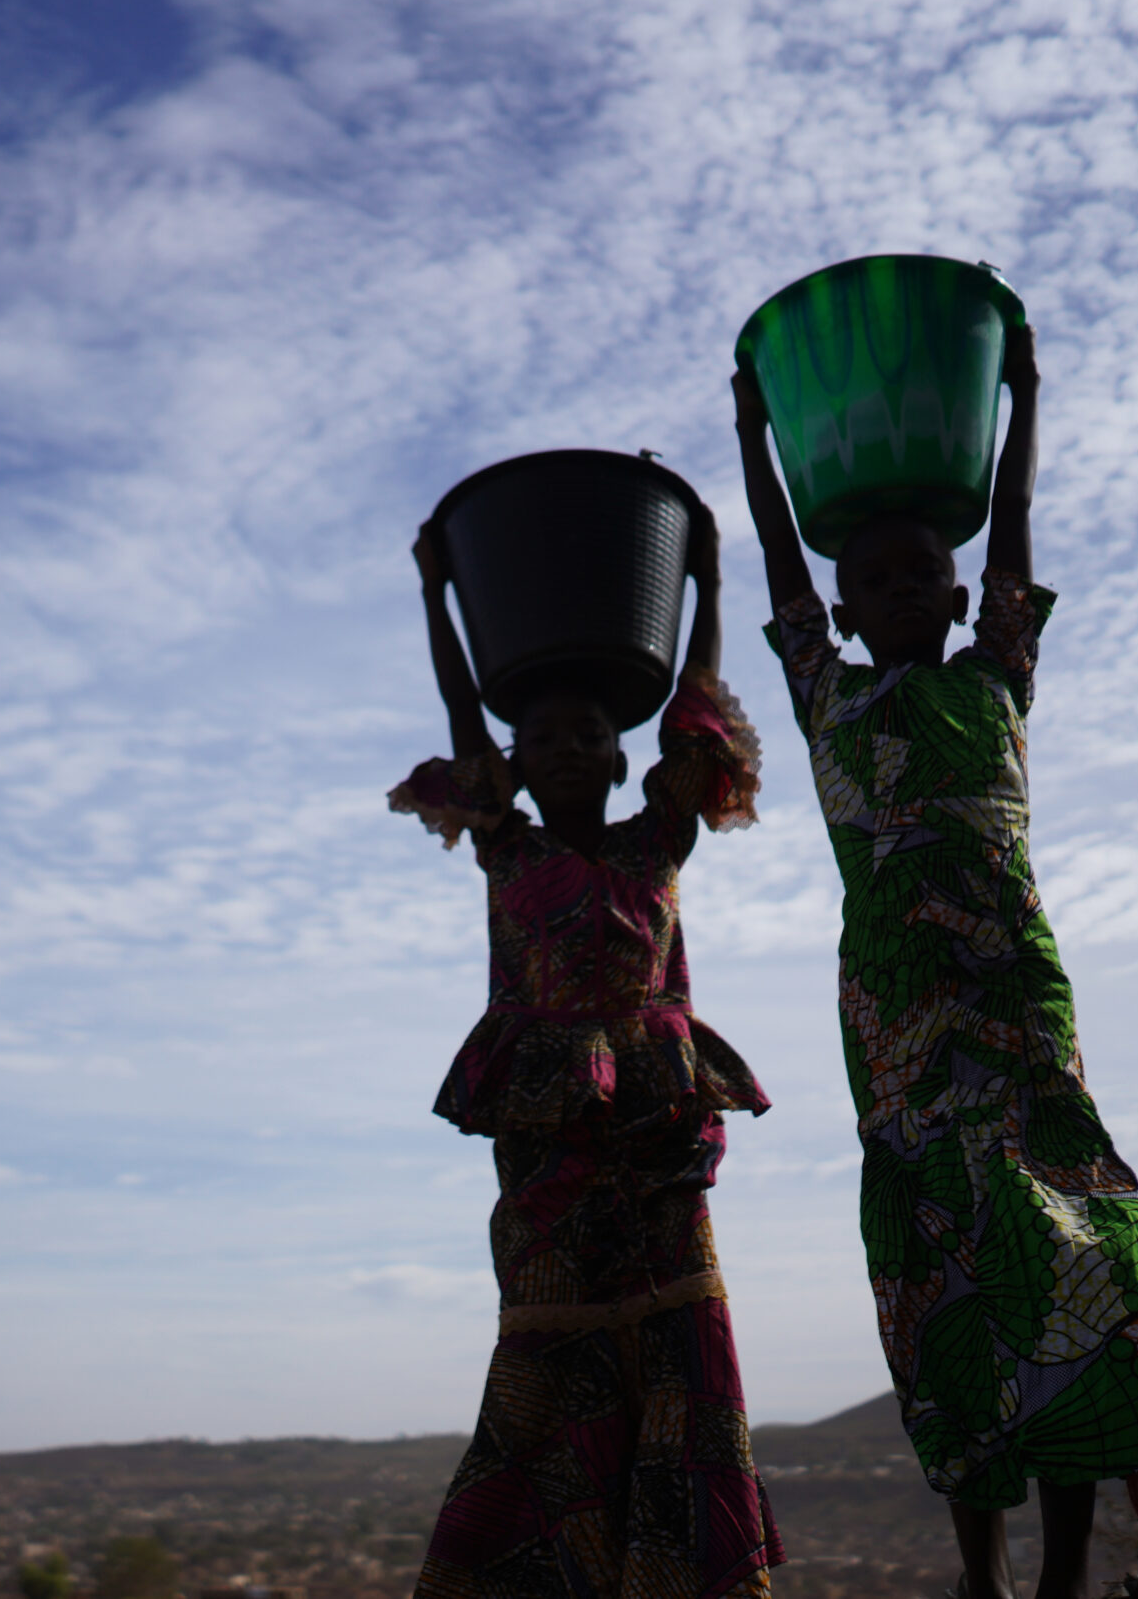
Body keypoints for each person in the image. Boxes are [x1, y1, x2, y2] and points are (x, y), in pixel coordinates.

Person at [733, 326, 1138, 1599]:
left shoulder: (998, 678)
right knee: (948, 1272)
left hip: (1017, 1008)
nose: (892, 588)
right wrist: (755, 438)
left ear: (953, 599)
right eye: (868, 577)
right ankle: (981, 1570)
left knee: (1075, 1254)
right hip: (896, 1025)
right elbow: (776, 562)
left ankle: (1055, 1566)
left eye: (916, 574)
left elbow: (1015, 519)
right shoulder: (827, 696)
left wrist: (1022, 393)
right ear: (843, 608)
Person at [392, 502, 783, 1599]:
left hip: (656, 1135)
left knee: (679, 1346)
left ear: (623, 764)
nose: (567, 748)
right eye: (545, 738)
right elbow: (461, 712)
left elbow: (695, 712)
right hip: (547, 1150)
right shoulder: (505, 849)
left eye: (590, 737)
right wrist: (440, 592)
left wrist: (705, 577)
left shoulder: (658, 837)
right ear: (514, 764)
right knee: (551, 1359)